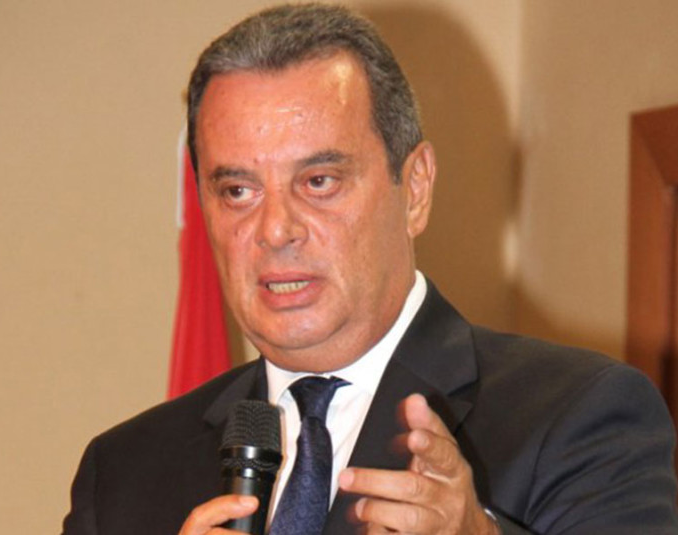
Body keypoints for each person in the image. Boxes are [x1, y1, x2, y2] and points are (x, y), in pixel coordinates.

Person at [62, 4, 678, 534]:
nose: (275, 230)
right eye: (238, 192)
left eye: (319, 181)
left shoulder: (581, 416)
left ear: (415, 190)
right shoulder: (122, 472)